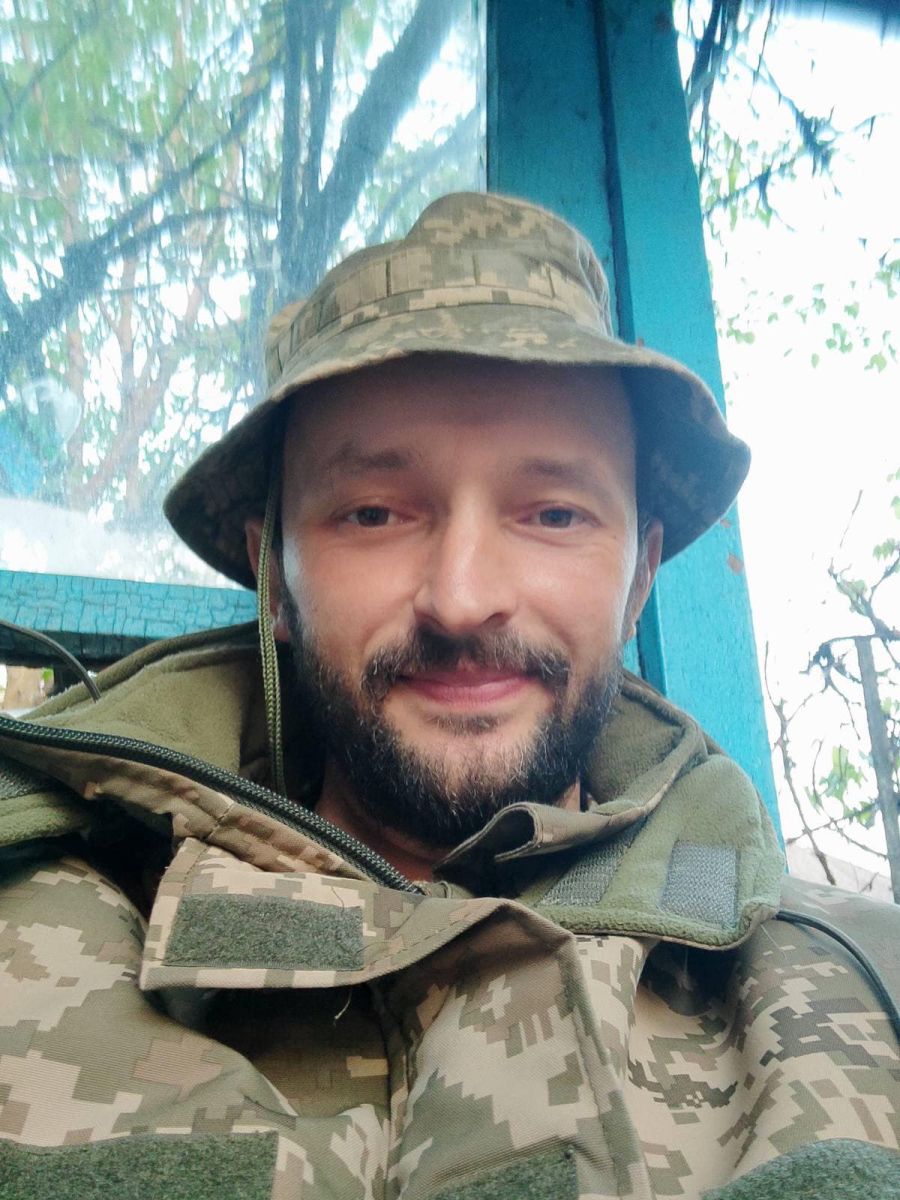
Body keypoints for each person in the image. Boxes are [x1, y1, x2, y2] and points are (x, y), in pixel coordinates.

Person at [0, 192, 896, 1200]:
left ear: (639, 578)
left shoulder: (866, 983)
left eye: (553, 514)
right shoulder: (27, 944)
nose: (463, 600)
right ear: (273, 578)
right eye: (374, 513)